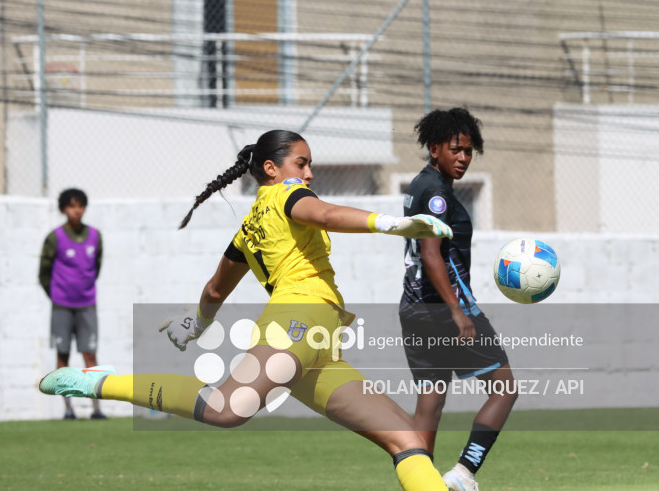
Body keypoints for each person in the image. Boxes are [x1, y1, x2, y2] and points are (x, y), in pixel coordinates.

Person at [39, 130, 454, 490]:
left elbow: (216, 288)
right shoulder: (288, 193)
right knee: (225, 409)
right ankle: (101, 382)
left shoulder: (249, 228)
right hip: (296, 325)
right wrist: (392, 224)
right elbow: (326, 215)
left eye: (309, 165)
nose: (309, 173)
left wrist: (197, 322)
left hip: (320, 343)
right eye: (301, 163)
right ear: (271, 169)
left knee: (408, 440)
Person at [399, 108, 517, 491]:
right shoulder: (437, 193)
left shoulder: (420, 184)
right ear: (434, 149)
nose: (463, 158)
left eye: (468, 151)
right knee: (504, 387)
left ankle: (421, 485)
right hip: (447, 309)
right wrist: (456, 311)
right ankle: (463, 473)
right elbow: (431, 253)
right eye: (455, 149)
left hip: (414, 308)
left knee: (430, 404)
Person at [38, 188, 106, 420]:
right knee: (63, 355)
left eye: (80, 205)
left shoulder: (95, 236)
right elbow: (43, 273)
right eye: (71, 206)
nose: (76, 210)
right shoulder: (54, 237)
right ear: (63, 209)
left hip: (87, 305)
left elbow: (96, 268)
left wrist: (83, 290)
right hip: (62, 307)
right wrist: (58, 295)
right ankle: (68, 408)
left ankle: (96, 408)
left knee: (90, 355)